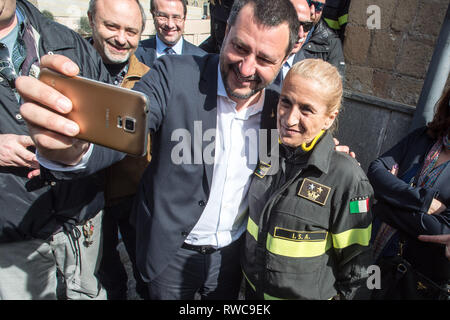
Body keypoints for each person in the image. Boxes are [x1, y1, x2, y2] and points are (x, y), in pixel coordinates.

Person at [17, 0, 301, 300]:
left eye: (265, 60)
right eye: (240, 47)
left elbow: (293, 159)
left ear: (285, 57)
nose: (246, 68)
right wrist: (74, 151)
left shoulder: (278, 107)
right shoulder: (174, 75)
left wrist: (329, 157)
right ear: (227, 30)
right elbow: (123, 130)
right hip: (170, 257)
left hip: (231, 259)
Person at [0, 0, 112, 300]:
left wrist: (76, 155)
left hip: (80, 224)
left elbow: (114, 133)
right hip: (12, 240)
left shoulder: (66, 41)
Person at [242, 59, 373, 300]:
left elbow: (358, 268)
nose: (290, 119)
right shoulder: (267, 150)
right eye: (286, 102)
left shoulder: (346, 177)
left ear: (329, 118)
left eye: (306, 110)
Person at [87, 0, 150, 300]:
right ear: (91, 20)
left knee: (146, 271)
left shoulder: (151, 78)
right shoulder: (71, 70)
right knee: (105, 277)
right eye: (111, 26)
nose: (121, 38)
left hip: (134, 194)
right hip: (85, 200)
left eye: (131, 31)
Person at [368, 88, 450, 299]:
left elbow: (440, 228)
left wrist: (384, 206)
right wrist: (424, 201)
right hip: (376, 252)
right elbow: (376, 171)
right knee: (367, 292)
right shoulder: (423, 138)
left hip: (417, 277)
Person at [273, 0, 345, 87]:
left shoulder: (331, 44)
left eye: (319, 7)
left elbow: (333, 93)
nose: (312, 11)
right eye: (308, 2)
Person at [134, 0, 206, 68]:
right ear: (153, 15)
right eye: (163, 16)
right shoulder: (134, 54)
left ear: (184, 18)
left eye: (176, 17)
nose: (170, 25)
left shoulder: (202, 59)